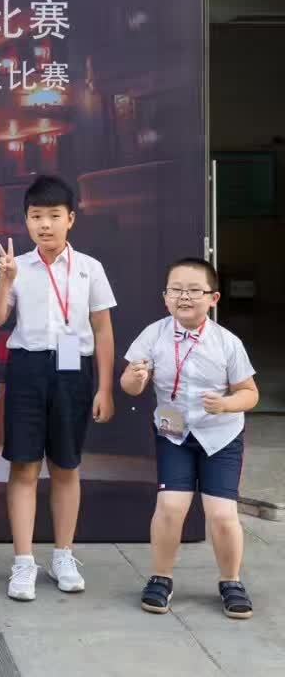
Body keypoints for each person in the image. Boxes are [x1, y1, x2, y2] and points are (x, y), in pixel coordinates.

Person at [0, 174, 116, 601]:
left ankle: (63, 555)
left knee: (66, 466)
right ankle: (23, 562)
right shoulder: (17, 267)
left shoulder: (90, 268)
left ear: (70, 218)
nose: (45, 224)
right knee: (23, 466)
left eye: (54, 216)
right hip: (27, 368)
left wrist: (105, 388)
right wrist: (4, 281)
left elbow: (103, 329)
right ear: (26, 220)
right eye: (36, 216)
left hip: (74, 370)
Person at [121, 257, 258, 619]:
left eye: (194, 290)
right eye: (176, 289)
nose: (184, 297)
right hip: (174, 432)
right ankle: (160, 578)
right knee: (170, 506)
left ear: (213, 298)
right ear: (165, 296)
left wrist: (227, 404)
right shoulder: (154, 334)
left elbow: (250, 393)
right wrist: (136, 377)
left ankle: (231, 581)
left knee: (222, 513)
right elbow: (129, 385)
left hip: (221, 436)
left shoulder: (227, 343)